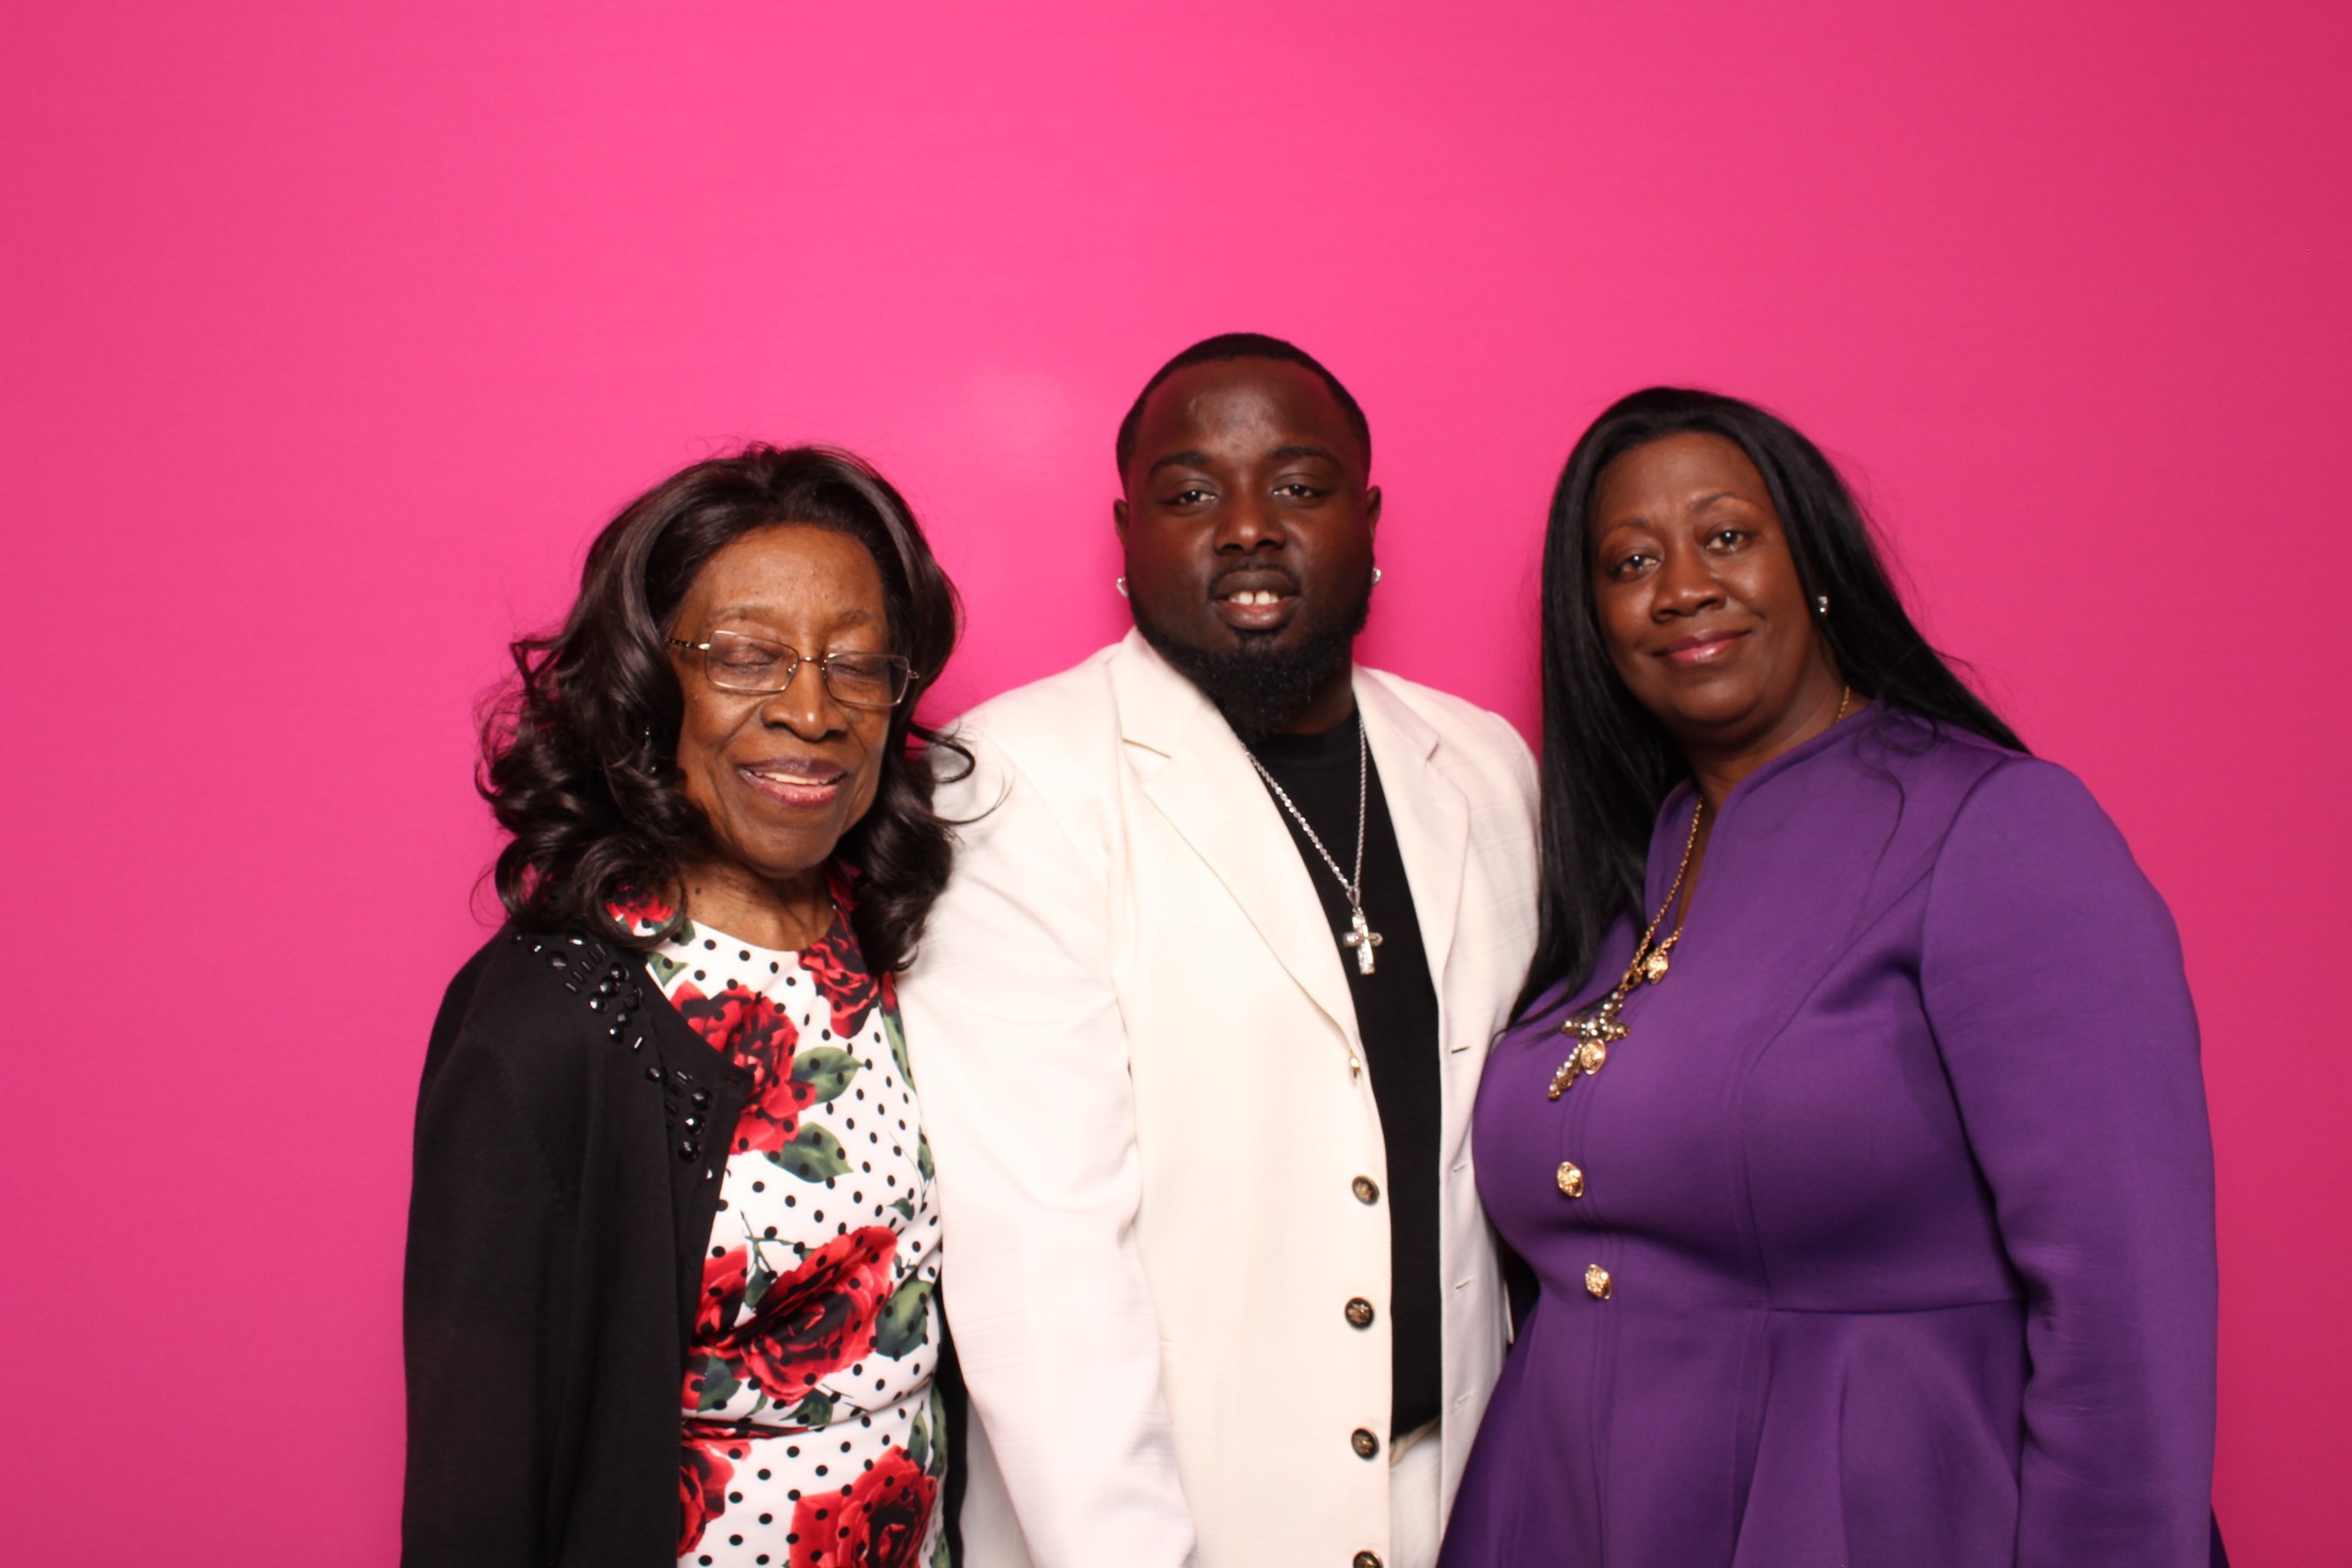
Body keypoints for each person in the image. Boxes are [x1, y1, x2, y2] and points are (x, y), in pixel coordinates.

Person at [1438, 388, 2219, 1567]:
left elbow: (2129, 1312)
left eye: (1726, 536)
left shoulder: (1999, 830)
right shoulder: (1627, 867)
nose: (1682, 587)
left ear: (1813, 563)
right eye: (1631, 562)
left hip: (1866, 1516)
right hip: (1566, 1515)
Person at [897, 333, 1539, 1568]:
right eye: (1192, 494)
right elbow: (1040, 1262)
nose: (1247, 526)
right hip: (1181, 1521)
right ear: (1128, 534)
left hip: (1466, 1500)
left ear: (1368, 519)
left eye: (1297, 486)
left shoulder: (1486, 767)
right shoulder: (1015, 779)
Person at [403, 445, 966, 1568]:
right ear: (647, 690)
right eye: (746, 657)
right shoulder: (552, 1021)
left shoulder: (910, 951)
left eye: (857, 665)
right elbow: (477, 1483)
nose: (812, 710)